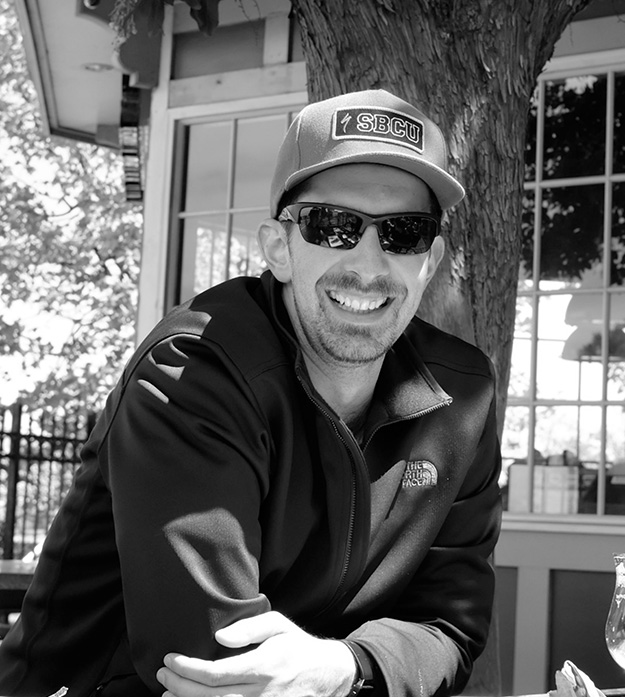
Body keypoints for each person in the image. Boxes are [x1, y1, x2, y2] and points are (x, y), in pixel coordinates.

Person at [0, 89, 502, 697]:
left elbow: (450, 628)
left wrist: (343, 667)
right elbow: (213, 669)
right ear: (278, 249)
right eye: (334, 226)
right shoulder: (193, 374)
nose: (369, 266)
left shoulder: (462, 397)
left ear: (431, 261)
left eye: (404, 232)